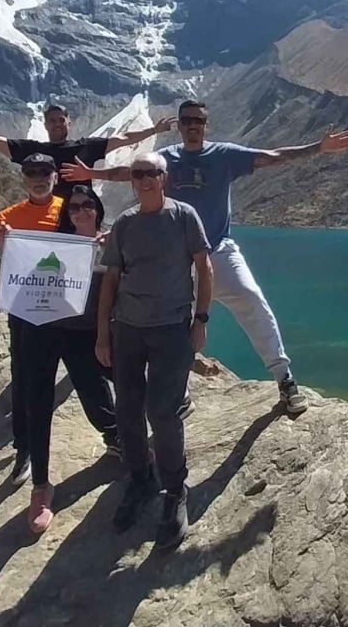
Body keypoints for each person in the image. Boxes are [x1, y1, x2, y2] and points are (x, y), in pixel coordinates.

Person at [66, 99, 348, 415]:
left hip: (218, 251)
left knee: (253, 301)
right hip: (177, 262)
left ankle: (284, 378)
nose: (193, 125)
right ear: (179, 123)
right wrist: (91, 172)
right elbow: (132, 173)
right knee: (174, 326)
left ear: (206, 125)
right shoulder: (166, 158)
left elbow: (272, 157)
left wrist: (318, 148)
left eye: (199, 121)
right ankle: (181, 394)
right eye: (187, 119)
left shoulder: (224, 155)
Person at [0, 154, 114, 490]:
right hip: (27, 309)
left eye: (45, 172)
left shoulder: (68, 209)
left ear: (55, 177)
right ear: (24, 178)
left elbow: (88, 241)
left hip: (70, 311)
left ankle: (115, 434)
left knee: (89, 375)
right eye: (31, 173)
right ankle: (25, 449)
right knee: (25, 379)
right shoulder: (12, 215)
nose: (38, 178)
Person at [96, 152, 213, 549]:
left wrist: (201, 321)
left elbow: (205, 267)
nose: (145, 180)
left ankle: (175, 489)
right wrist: (102, 333)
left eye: (152, 173)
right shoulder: (125, 224)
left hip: (171, 328)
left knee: (163, 412)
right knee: (127, 409)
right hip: (128, 328)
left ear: (165, 178)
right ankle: (141, 479)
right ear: (131, 181)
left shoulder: (183, 217)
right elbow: (110, 279)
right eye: (138, 174)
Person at [16, 183, 119, 534]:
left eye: (86, 204)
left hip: (83, 332)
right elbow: (28, 280)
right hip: (43, 329)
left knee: (94, 390)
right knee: (39, 402)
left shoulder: (113, 244)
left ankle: (117, 438)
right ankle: (41, 487)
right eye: (73, 207)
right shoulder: (55, 244)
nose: (80, 211)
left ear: (97, 209)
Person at [0, 103, 174, 198]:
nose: (57, 124)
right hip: (44, 216)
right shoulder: (32, 150)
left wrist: (153, 130)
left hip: (80, 216)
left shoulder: (85, 147)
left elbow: (123, 138)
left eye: (61, 120)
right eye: (52, 121)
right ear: (46, 125)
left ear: (69, 122)